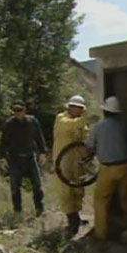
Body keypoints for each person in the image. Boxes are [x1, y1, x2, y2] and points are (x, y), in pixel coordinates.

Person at [86, 96, 127, 240]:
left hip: (108, 168)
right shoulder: (123, 126)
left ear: (105, 111)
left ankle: (101, 235)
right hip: (124, 166)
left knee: (101, 200)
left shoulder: (99, 127)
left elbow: (89, 148)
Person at [0, 100, 47, 217]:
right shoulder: (9, 124)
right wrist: (2, 158)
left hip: (30, 157)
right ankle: (17, 211)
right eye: (15, 110)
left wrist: (43, 152)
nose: (17, 113)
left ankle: (40, 210)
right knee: (15, 187)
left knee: (37, 185)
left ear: (24, 110)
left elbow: (39, 137)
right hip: (15, 159)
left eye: (20, 110)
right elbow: (3, 142)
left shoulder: (33, 122)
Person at [52, 95, 90, 238]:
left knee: (78, 189)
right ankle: (71, 221)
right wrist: (83, 120)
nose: (79, 111)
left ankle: (77, 216)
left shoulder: (81, 123)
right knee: (66, 190)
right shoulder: (61, 119)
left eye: (81, 109)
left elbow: (85, 137)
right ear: (71, 107)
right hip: (64, 162)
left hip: (77, 161)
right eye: (77, 108)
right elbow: (69, 126)